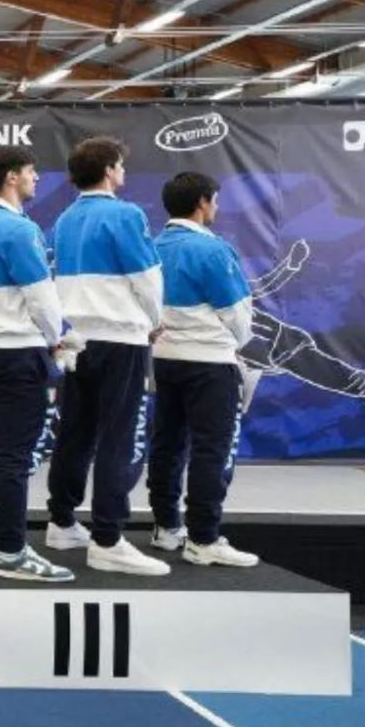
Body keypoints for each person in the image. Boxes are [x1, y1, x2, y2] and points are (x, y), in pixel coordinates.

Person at [45, 136, 168, 575]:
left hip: (78, 339)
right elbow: (147, 277)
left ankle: (62, 521)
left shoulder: (64, 219)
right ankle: (108, 539)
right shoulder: (126, 214)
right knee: (120, 437)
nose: (124, 172)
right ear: (110, 170)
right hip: (120, 339)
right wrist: (155, 320)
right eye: (121, 165)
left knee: (75, 433)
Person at [0, 147, 73, 581]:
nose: (37, 177)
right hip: (18, 353)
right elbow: (41, 297)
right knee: (12, 456)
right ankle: (11, 554)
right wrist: (56, 339)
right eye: (30, 171)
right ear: (11, 177)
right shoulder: (18, 229)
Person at [146, 172, 258, 567]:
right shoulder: (213, 249)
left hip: (163, 360)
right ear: (203, 203)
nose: (216, 207)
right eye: (215, 200)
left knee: (167, 443)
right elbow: (239, 315)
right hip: (210, 363)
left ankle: (166, 528)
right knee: (212, 449)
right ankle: (204, 539)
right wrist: (237, 344)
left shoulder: (151, 247)